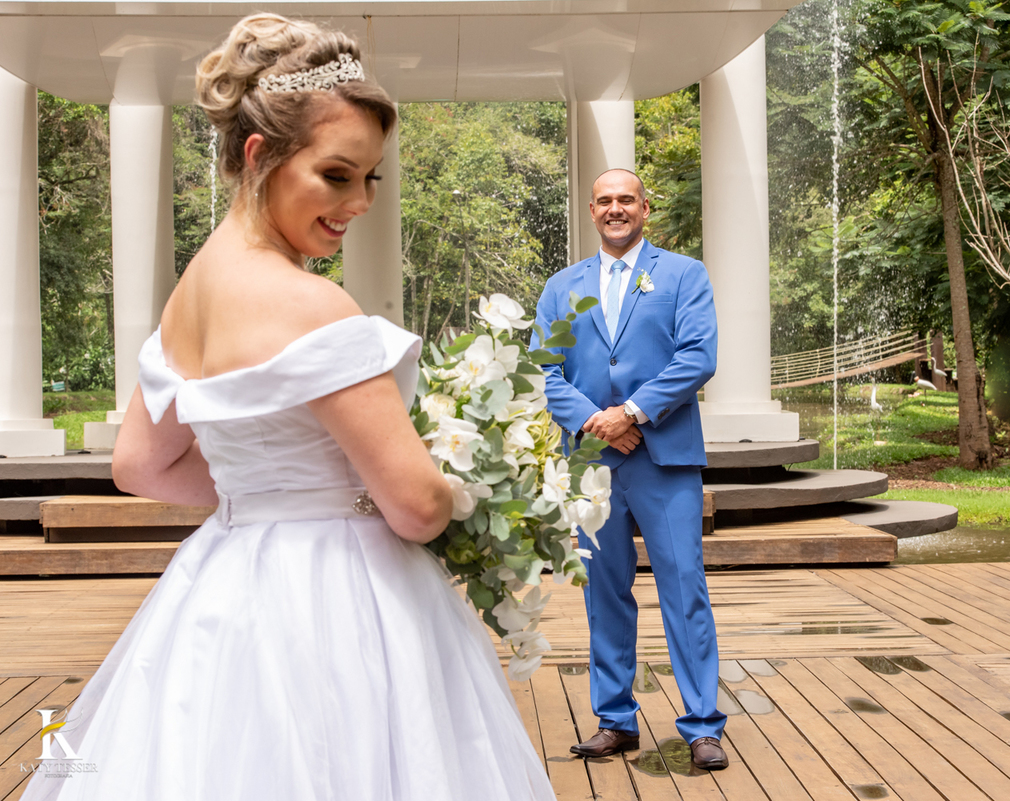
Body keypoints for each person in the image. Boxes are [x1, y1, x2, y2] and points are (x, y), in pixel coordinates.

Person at [21, 14, 554, 800]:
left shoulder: (188, 296)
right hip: (339, 601)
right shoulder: (315, 306)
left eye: (372, 177)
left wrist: (270, 494)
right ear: (259, 153)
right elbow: (413, 506)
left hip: (223, 588)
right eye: (337, 175)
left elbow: (139, 464)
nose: (360, 201)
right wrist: (448, 484)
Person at [532, 168, 728, 770]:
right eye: (605, 201)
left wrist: (633, 412)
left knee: (683, 589)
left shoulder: (682, 274)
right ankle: (614, 720)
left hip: (664, 455)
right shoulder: (562, 286)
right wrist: (598, 422)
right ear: (591, 210)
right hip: (595, 462)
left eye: (627, 200)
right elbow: (545, 370)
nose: (616, 209)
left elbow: (699, 355)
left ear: (645, 208)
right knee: (605, 592)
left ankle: (701, 725)